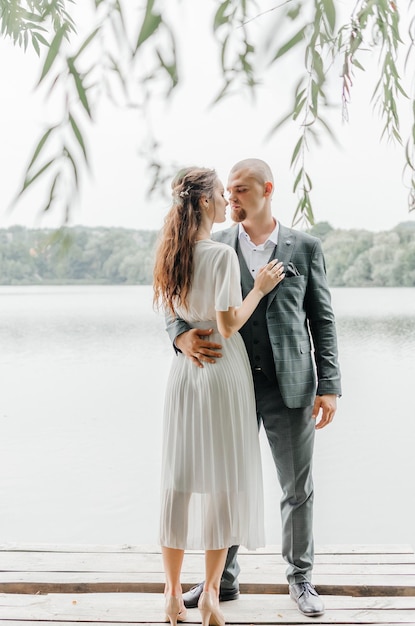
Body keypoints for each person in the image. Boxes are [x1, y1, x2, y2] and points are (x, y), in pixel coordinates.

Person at [166, 158, 342, 618]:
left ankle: (300, 579)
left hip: (293, 385)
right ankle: (221, 582)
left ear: (268, 189)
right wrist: (180, 336)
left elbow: (321, 319)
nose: (232, 198)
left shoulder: (304, 246)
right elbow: (175, 298)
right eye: (229, 191)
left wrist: (331, 385)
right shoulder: (215, 243)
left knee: (296, 487)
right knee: (228, 483)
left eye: (241, 190)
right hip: (230, 384)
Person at [153, 166, 284, 626]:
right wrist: (261, 290)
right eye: (220, 194)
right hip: (224, 370)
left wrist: (183, 338)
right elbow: (229, 325)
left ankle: (171, 595)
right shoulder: (220, 256)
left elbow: (173, 315)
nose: (227, 199)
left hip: (185, 374)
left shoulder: (171, 254)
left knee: (179, 477)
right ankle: (209, 595)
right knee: (222, 481)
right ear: (208, 202)